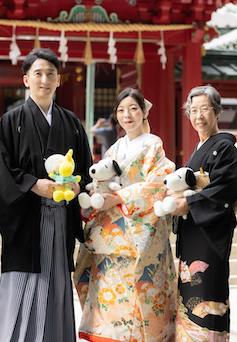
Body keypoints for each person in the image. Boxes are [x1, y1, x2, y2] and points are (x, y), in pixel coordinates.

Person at [0, 48, 93, 342]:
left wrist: (77, 186)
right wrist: (33, 184)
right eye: (38, 74)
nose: (44, 80)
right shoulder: (10, 121)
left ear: (59, 80)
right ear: (25, 80)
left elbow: (86, 169)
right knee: (23, 284)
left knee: (56, 285)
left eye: (51, 74)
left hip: (60, 221)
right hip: (25, 220)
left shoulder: (71, 123)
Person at [74, 88, 177, 342]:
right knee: (109, 294)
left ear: (144, 112)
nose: (127, 115)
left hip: (141, 231)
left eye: (133, 108)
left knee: (137, 295)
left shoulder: (154, 144)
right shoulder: (115, 148)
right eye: (121, 110)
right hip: (110, 234)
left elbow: (157, 184)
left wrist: (118, 198)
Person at [169, 85, 237, 342]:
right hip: (192, 233)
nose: (198, 116)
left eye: (205, 109)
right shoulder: (200, 149)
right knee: (190, 294)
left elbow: (226, 187)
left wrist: (189, 204)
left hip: (210, 235)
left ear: (217, 112)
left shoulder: (224, 148)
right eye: (193, 111)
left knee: (208, 293)